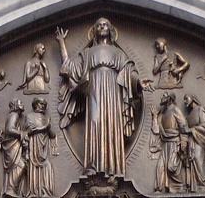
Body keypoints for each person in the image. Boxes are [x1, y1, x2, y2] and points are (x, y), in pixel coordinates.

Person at [56, 17, 141, 178]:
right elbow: (69, 67)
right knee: (95, 122)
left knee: (112, 124)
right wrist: (61, 43)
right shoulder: (87, 54)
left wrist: (139, 82)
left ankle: (113, 167)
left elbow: (130, 72)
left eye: (105, 25)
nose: (102, 27)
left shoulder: (119, 54)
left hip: (113, 95)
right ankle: (92, 166)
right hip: (94, 93)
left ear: (110, 30)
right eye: (99, 25)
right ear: (94, 31)